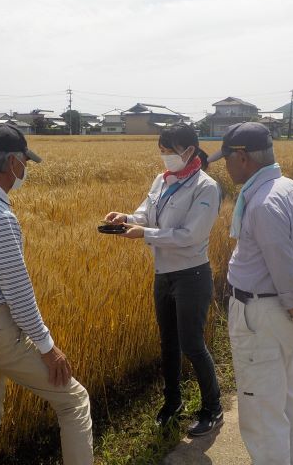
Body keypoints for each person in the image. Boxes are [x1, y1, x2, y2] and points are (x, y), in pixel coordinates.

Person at [0, 123, 93, 465]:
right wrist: (48, 348)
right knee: (74, 400)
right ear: (12, 162)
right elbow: (18, 294)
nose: (25, 169)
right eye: (24, 163)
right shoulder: (0, 218)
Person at [208, 122, 293, 465]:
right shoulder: (290, 188)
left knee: (262, 415)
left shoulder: (261, 202)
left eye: (227, 158)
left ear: (243, 157)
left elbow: (285, 266)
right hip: (282, 316)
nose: (225, 166)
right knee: (287, 404)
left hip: (261, 317)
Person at [105, 123, 223, 436]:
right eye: (162, 152)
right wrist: (126, 218)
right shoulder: (163, 179)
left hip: (192, 275)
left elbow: (190, 235)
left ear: (189, 151)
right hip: (164, 275)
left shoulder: (206, 187)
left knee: (193, 344)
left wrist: (146, 233)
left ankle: (213, 408)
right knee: (168, 343)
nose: (165, 158)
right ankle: (173, 403)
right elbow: (146, 213)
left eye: (170, 152)